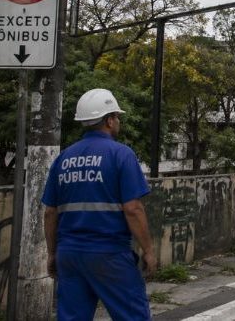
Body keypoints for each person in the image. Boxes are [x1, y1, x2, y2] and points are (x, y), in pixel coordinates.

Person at [42, 88, 155, 320]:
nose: (118, 121)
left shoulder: (63, 158)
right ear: (108, 120)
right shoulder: (121, 154)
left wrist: (52, 253)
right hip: (109, 254)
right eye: (116, 116)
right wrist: (149, 250)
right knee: (132, 315)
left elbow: (50, 213)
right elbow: (133, 209)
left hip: (70, 255)